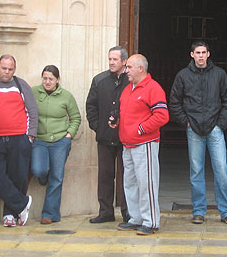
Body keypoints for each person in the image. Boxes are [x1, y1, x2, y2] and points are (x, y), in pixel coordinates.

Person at [169, 41, 227, 225]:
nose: (200, 56)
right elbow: (174, 102)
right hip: (194, 130)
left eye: (203, 52)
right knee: (196, 171)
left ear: (208, 54)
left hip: (215, 129)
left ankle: (226, 211)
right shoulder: (183, 76)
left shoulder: (219, 74)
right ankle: (198, 210)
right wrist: (186, 122)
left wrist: (221, 123)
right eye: (197, 52)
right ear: (191, 55)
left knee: (221, 169)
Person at [114, 54, 169, 235]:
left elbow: (162, 115)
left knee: (147, 183)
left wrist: (141, 129)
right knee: (130, 183)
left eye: (129, 67)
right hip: (127, 144)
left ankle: (150, 221)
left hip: (145, 143)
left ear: (140, 68)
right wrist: (116, 121)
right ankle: (135, 218)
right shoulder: (128, 89)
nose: (126, 70)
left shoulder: (153, 88)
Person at [0, 54, 37, 227]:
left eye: (10, 69)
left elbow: (32, 110)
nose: (6, 72)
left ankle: (9, 214)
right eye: (4, 68)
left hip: (18, 137)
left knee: (18, 175)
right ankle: (21, 204)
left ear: (15, 69)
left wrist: (30, 136)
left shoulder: (21, 85)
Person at [31, 65, 81, 224]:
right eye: (45, 78)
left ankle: (50, 214)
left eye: (50, 79)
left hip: (60, 141)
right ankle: (43, 176)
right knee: (39, 169)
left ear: (57, 80)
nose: (47, 82)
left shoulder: (66, 96)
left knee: (57, 177)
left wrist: (68, 135)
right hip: (39, 140)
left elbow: (76, 118)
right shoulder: (33, 92)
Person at [85, 46, 130, 224]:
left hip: (126, 137)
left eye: (115, 59)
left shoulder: (131, 80)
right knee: (105, 175)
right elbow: (91, 106)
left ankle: (128, 213)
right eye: (110, 59)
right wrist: (97, 126)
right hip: (104, 137)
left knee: (127, 176)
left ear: (124, 61)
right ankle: (105, 212)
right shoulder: (99, 80)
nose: (111, 62)